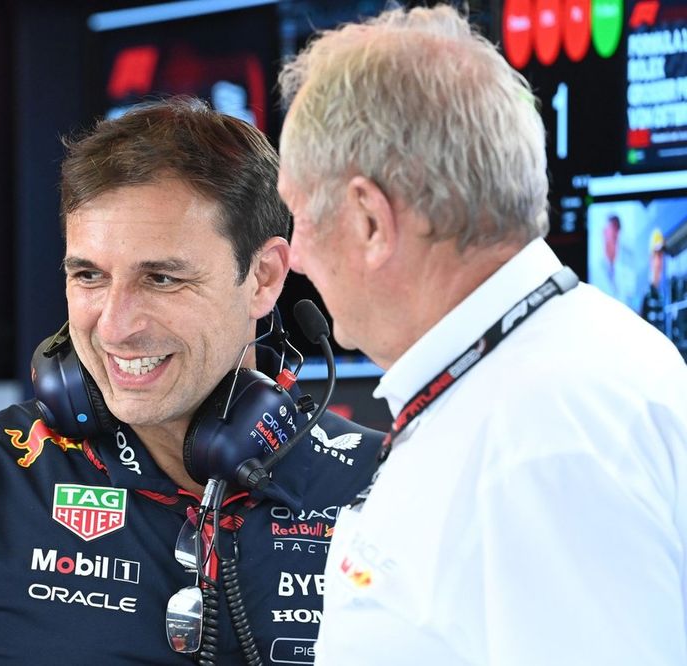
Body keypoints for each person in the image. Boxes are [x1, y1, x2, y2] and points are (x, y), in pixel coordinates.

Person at [0, 98, 383, 665]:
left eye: (162, 278)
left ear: (263, 278)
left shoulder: (386, 485)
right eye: (89, 275)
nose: (115, 327)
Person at [277, 5, 687, 665]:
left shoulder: (535, 447)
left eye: (295, 214)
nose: (292, 256)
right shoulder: (535, 379)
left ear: (369, 221)